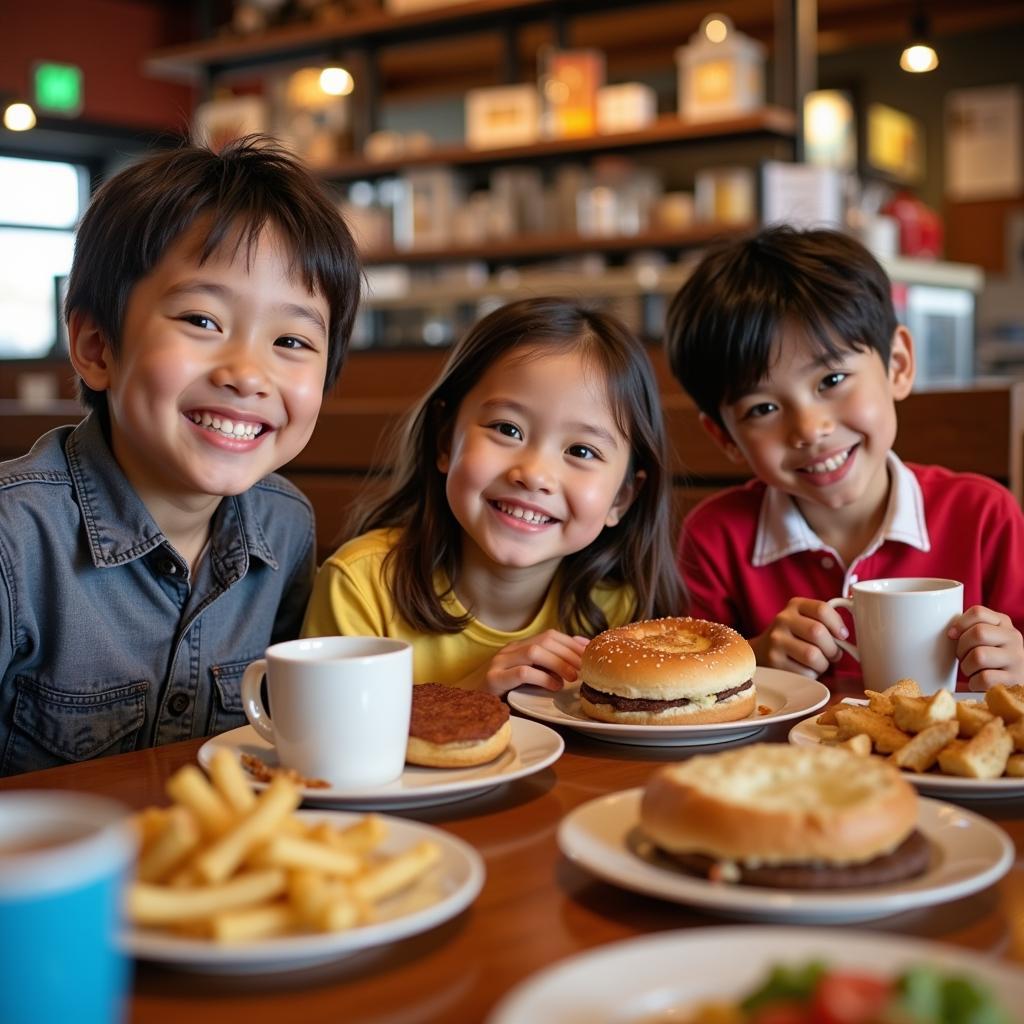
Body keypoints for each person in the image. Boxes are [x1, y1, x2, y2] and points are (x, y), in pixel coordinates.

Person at [0, 136, 361, 775]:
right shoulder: (15, 539)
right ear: (96, 347)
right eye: (202, 321)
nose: (248, 374)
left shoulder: (285, 525)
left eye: (291, 339)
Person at [665, 225, 1024, 691]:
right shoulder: (715, 539)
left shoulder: (982, 517)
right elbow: (686, 692)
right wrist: (752, 661)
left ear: (898, 365)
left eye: (832, 381)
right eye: (763, 409)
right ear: (725, 437)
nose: (810, 429)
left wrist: (1017, 664)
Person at [303, 297, 683, 693]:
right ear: (445, 440)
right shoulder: (362, 587)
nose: (535, 475)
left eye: (582, 451)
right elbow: (323, 741)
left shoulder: (625, 615)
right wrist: (469, 697)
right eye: (508, 429)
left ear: (622, 498)